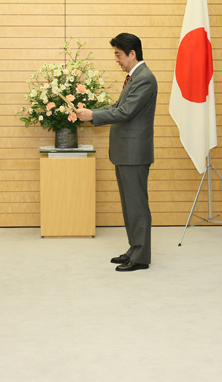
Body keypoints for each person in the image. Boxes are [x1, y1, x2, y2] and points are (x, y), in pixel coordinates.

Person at [76, 33, 158, 272]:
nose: (117, 60)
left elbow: (125, 113)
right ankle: (134, 248)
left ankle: (141, 257)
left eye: (118, 55)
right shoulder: (134, 78)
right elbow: (117, 107)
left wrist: (93, 116)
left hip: (134, 154)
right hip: (125, 153)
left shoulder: (144, 79)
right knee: (128, 205)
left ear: (132, 54)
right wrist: (93, 112)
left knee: (137, 206)